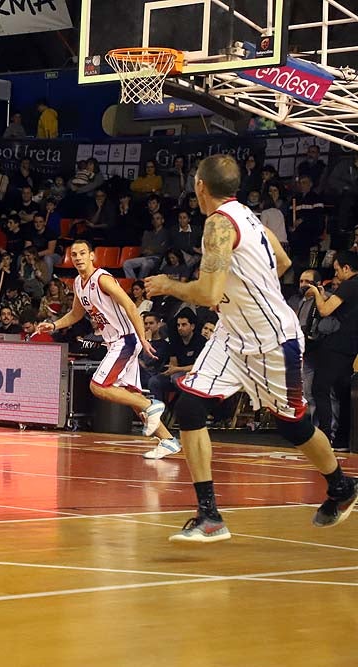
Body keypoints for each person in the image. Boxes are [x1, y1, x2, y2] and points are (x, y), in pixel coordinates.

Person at [145, 153, 357, 542]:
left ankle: (342, 486)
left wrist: (167, 285)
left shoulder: (218, 224)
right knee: (190, 407)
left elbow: (208, 293)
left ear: (199, 186)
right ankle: (209, 516)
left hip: (271, 339)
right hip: (233, 333)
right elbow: (283, 261)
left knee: (293, 426)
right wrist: (241, 295)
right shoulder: (248, 215)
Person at [36, 240, 181, 460]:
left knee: (98, 386)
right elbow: (75, 314)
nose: (78, 257)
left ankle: (151, 404)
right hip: (115, 342)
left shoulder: (102, 278)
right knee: (131, 396)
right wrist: (54, 325)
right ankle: (168, 440)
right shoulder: (78, 283)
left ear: (92, 256)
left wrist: (142, 338)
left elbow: (130, 305)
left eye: (82, 253)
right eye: (74, 254)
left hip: (125, 339)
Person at [304, 251, 358, 452]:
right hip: (351, 346)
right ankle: (342, 440)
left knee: (320, 388)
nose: (336, 274)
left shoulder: (349, 285)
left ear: (346, 268)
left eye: (337, 270)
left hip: (335, 344)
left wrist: (318, 294)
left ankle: (324, 437)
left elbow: (325, 310)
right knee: (343, 393)